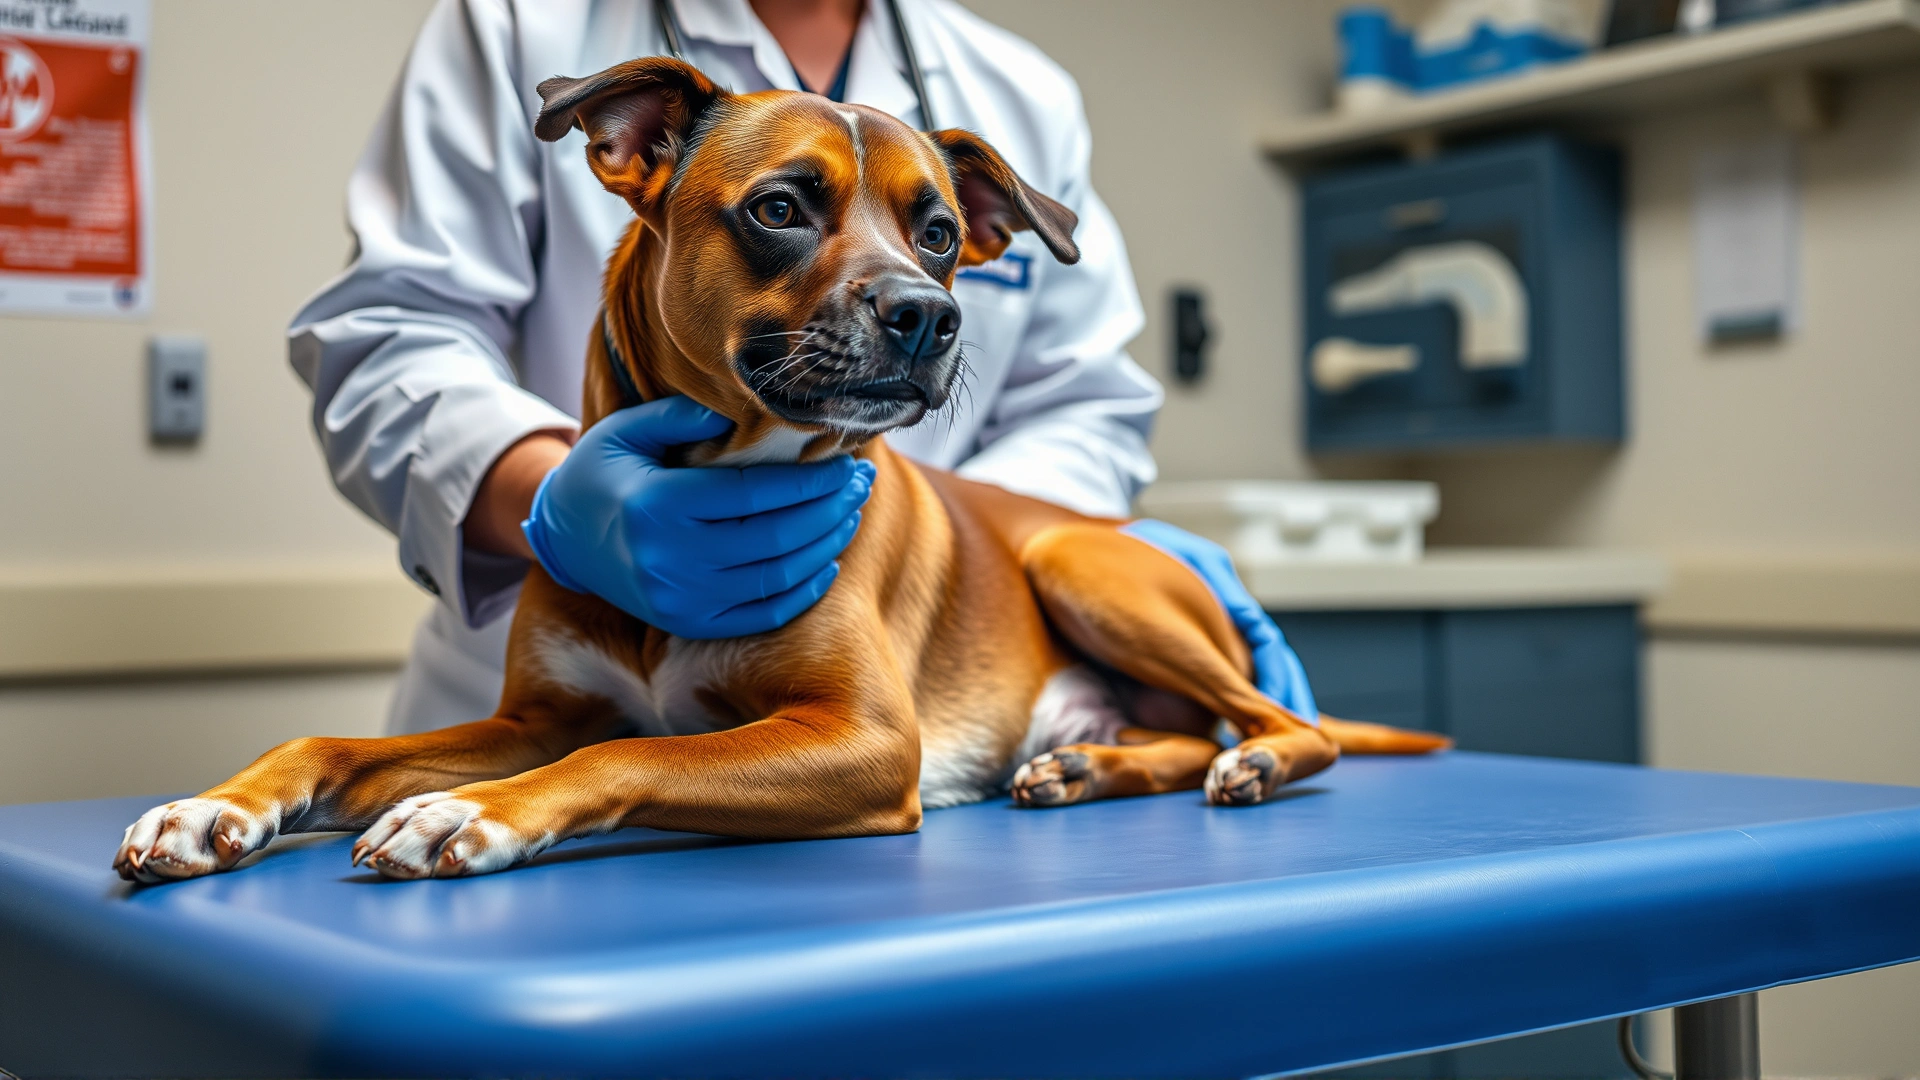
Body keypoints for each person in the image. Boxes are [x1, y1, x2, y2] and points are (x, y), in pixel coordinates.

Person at [289, 0, 1316, 736]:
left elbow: (1083, 405)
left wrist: (1031, 578)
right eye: (781, 210)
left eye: (936, 244)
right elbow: (391, 335)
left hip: (885, 718)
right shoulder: (523, 23)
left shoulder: (1018, 91)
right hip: (546, 712)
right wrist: (563, 504)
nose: (916, 292)